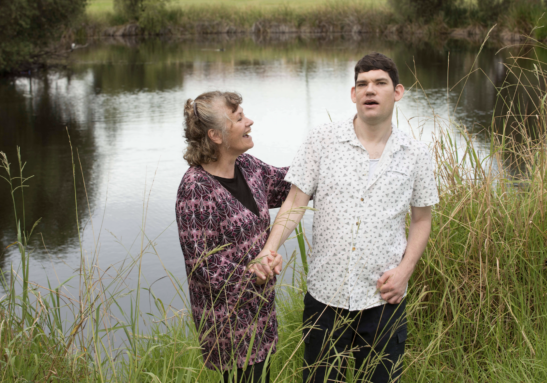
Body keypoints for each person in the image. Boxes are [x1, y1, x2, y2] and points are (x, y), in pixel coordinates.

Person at [255, 52, 439, 382]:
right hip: (325, 299)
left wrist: (404, 273)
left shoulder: (417, 154)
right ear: (353, 95)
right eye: (362, 84)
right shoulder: (322, 140)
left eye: (380, 83)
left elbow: (422, 220)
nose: (370, 90)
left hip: (384, 298)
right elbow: (295, 201)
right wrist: (270, 248)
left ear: (397, 92)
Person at [175, 91, 290, 383]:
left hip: (261, 313)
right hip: (228, 326)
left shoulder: (248, 167)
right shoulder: (195, 189)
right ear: (215, 135)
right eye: (239, 118)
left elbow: (287, 184)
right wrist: (255, 274)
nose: (249, 121)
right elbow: (203, 264)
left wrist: (321, 159)